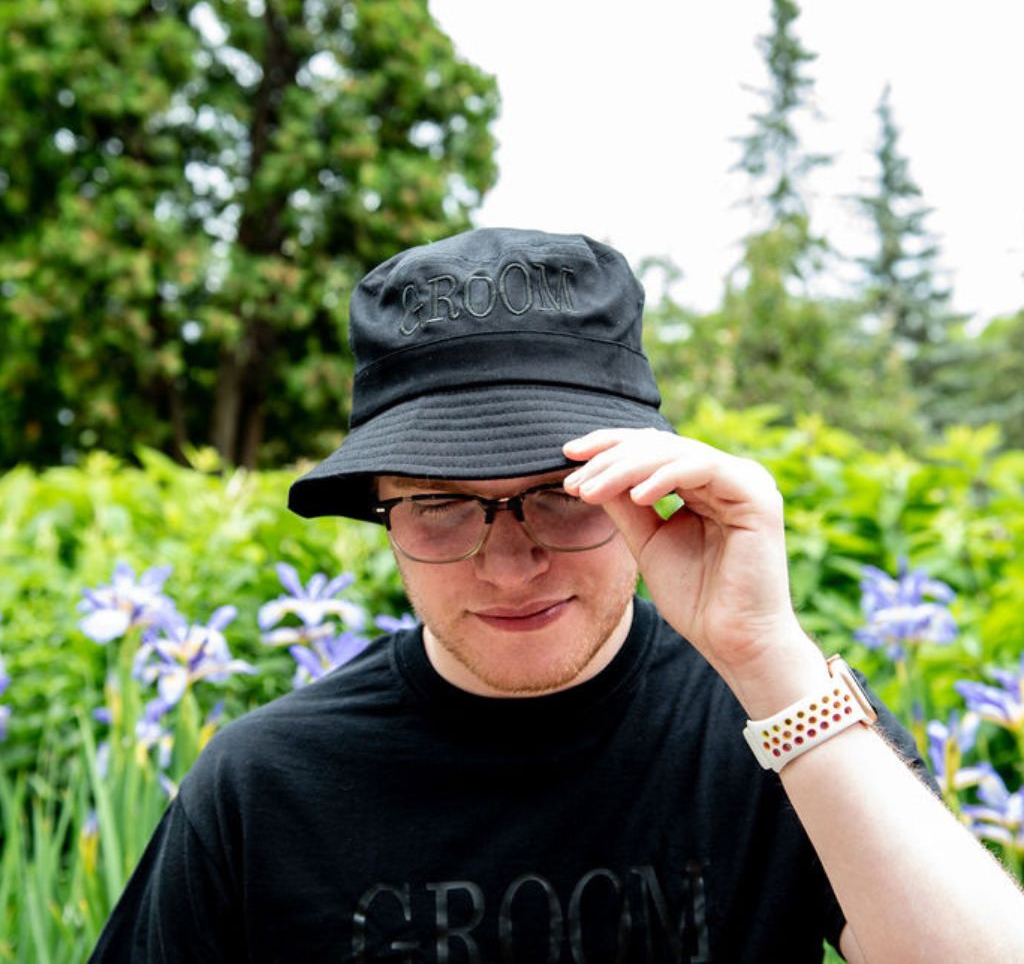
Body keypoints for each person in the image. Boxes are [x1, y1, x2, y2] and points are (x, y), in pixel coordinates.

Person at [90, 227, 1024, 963]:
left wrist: (763, 650)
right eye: (440, 506)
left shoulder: (784, 732)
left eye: (560, 496)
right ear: (379, 512)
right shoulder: (264, 788)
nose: (508, 564)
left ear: (653, 489)